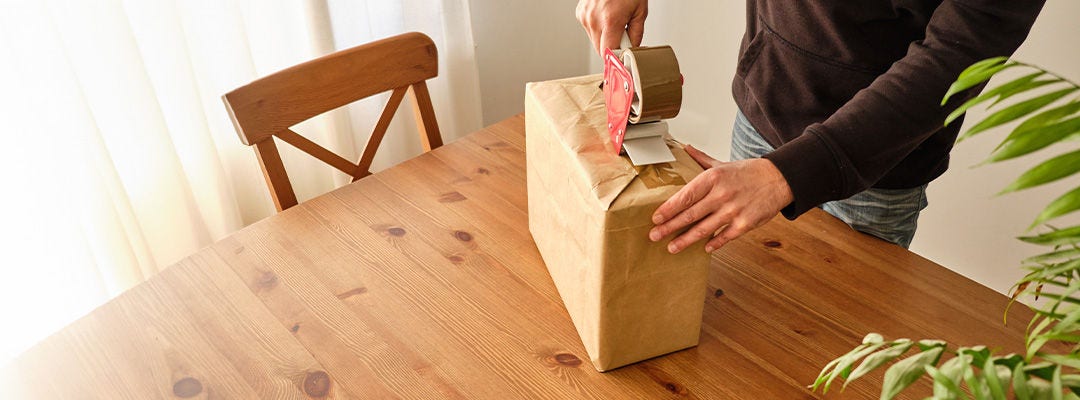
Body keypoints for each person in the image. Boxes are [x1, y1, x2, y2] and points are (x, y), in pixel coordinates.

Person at [576, 0, 1045, 253]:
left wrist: (787, 175)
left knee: (832, 355)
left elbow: (955, 60)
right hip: (759, 113)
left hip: (870, 174)